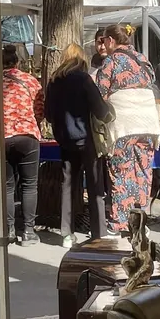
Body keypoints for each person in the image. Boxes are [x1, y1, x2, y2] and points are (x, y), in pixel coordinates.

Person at [0, 44, 45, 246]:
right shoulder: (30, 81)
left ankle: (9, 230)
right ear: (18, 62)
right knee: (30, 185)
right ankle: (28, 232)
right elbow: (40, 108)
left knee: (5, 187)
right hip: (27, 137)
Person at [45, 43, 113, 245]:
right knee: (95, 187)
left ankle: (67, 233)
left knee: (68, 186)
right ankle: (98, 233)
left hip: (65, 140)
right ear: (81, 59)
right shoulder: (84, 79)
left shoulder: (54, 81)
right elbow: (101, 110)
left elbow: (48, 115)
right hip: (87, 139)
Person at [95, 24, 160, 231]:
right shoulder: (143, 59)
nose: (103, 44)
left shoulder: (111, 62)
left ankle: (121, 222)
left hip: (124, 124)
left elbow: (101, 94)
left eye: (104, 40)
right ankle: (140, 221)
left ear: (112, 41)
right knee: (143, 171)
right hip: (148, 123)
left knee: (121, 172)